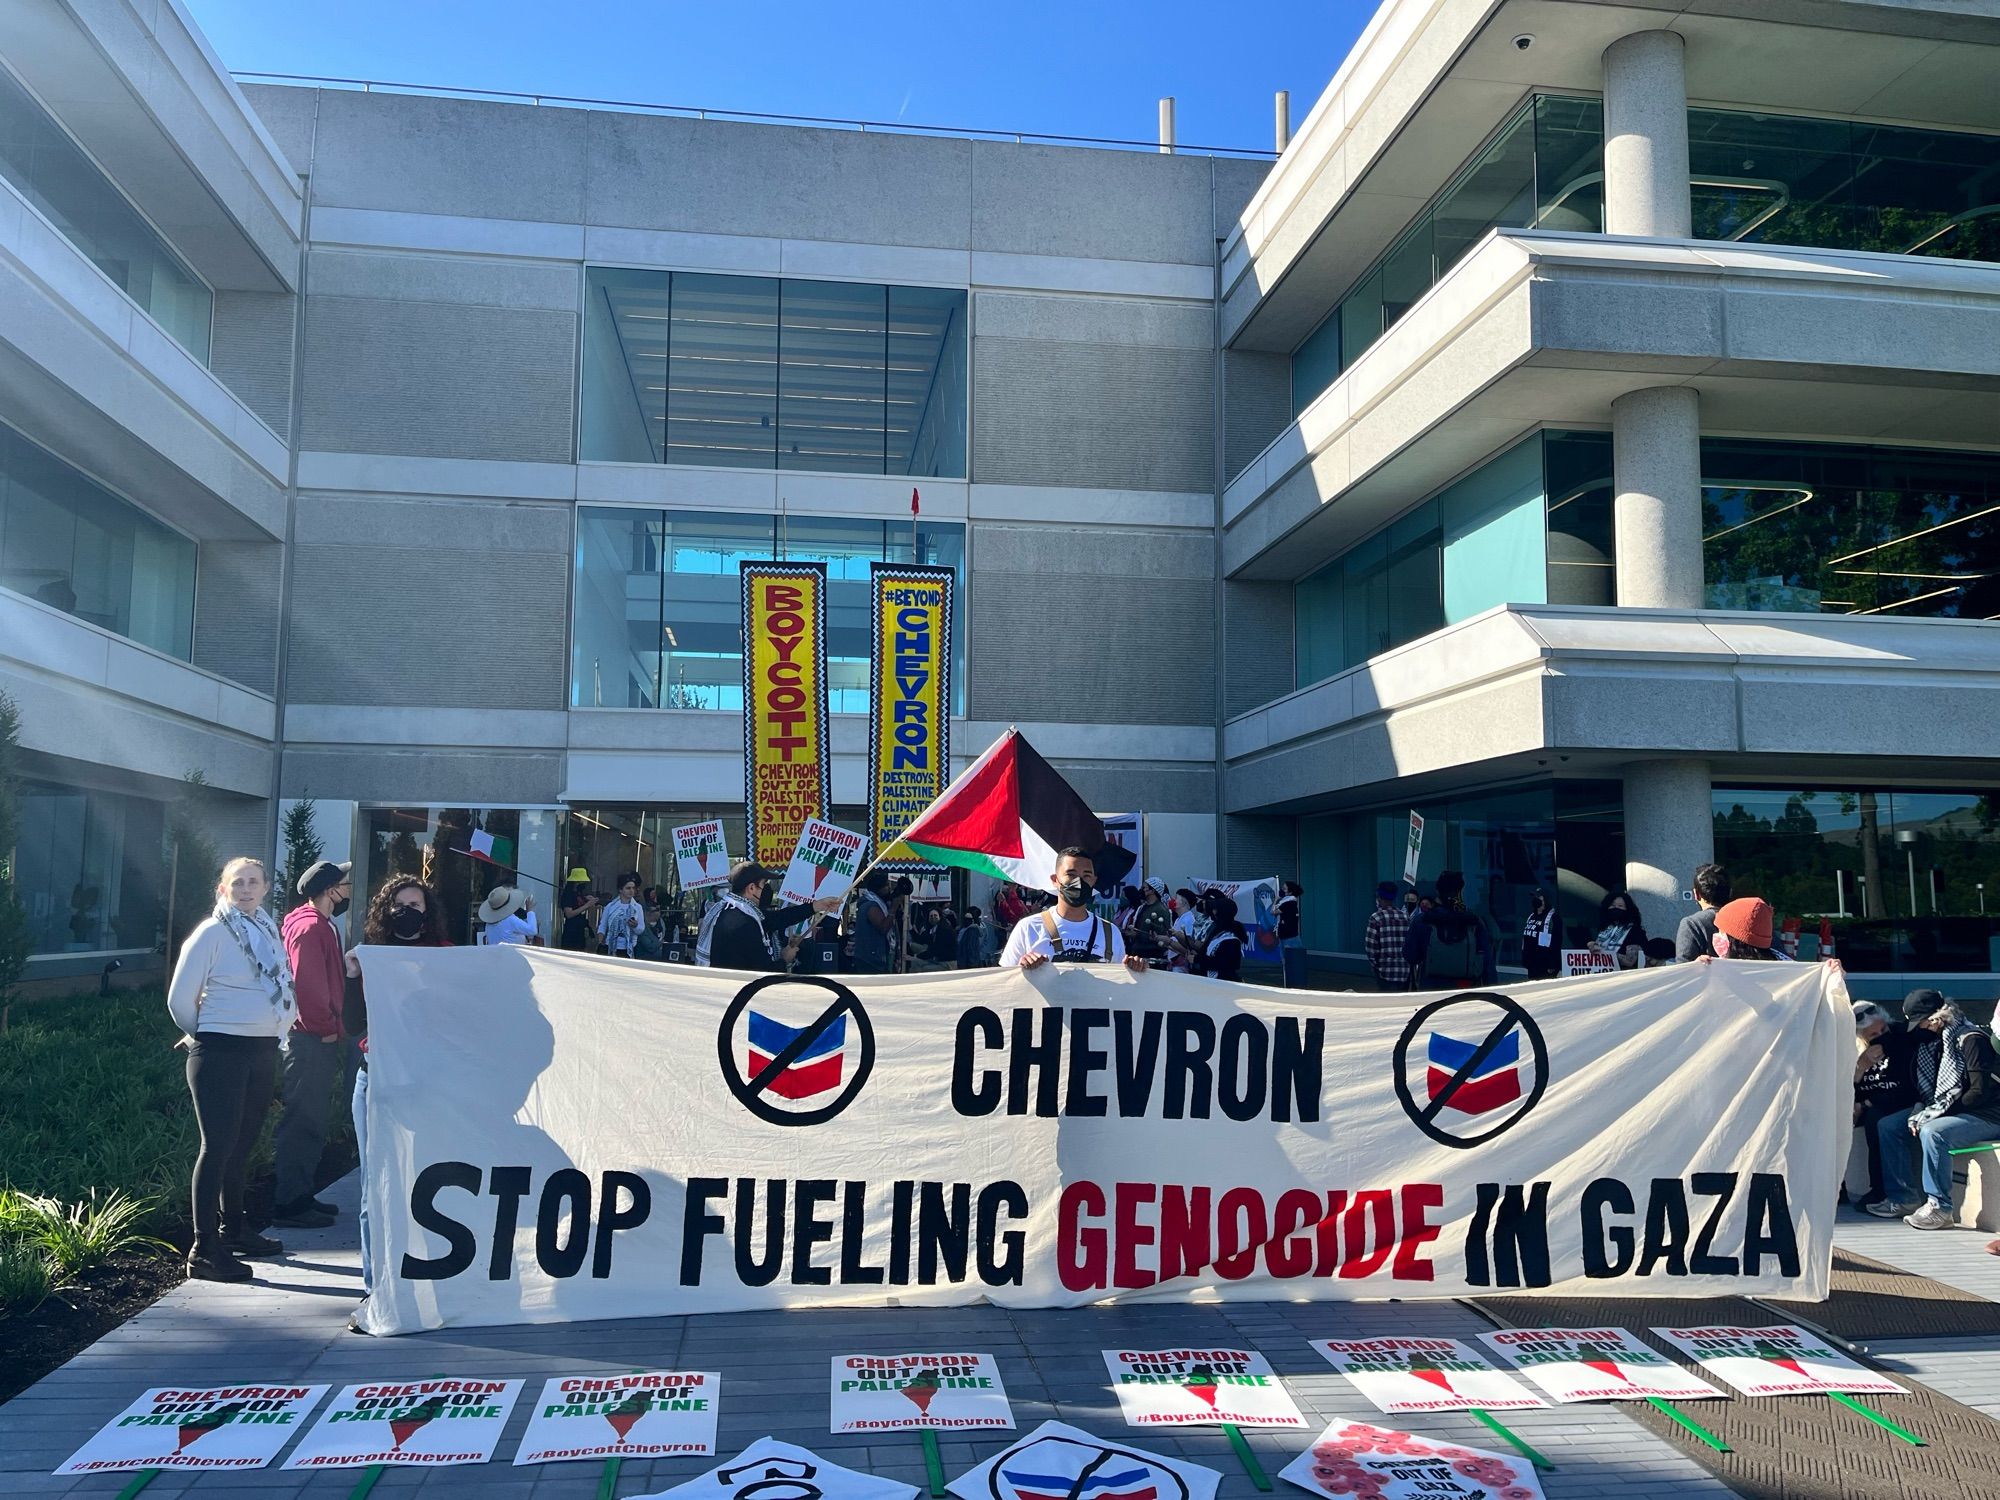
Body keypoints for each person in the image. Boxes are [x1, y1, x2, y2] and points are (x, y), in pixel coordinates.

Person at [166, 857, 298, 1283]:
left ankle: (234, 1230)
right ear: (222, 889)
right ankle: (204, 1250)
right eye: (236, 883)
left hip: (262, 1050)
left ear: (264, 889)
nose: (245, 889)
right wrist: (205, 1034)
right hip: (220, 1052)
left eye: (253, 882)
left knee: (243, 1146)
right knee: (218, 1147)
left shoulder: (265, 928)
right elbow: (178, 1000)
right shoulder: (211, 933)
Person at [346, 876, 449, 1293]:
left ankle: (429, 1275)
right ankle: (378, 1288)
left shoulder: (444, 956)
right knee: (376, 1185)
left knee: (424, 1180)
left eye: (418, 905)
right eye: (401, 904)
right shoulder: (371, 958)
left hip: (425, 1080)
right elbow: (353, 1025)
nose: (409, 912)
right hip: (378, 1078)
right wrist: (354, 976)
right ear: (385, 911)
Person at [1868, 990, 2000, 1229]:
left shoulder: (1971, 1039)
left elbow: (1978, 1093)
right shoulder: (1933, 1041)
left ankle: (1940, 1208)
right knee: (1888, 1125)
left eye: (1925, 1022)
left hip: (1988, 1115)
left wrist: (1938, 1113)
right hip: (1949, 1108)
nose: (1923, 1027)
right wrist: (1926, 1109)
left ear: (1939, 1016)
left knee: (1933, 1132)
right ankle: (1903, 1198)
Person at [272, 860, 350, 1231]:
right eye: (345, 883)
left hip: (315, 1036)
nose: (349, 889)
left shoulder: (316, 924)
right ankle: (290, 1203)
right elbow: (308, 987)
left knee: (312, 1118)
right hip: (310, 1038)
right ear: (331, 889)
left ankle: (301, 1194)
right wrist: (327, 1028)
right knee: (303, 1119)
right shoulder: (309, 928)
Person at [1000, 848, 1149, 969]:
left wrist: (1135, 969)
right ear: (1055, 880)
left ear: (1093, 881)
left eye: (1086, 875)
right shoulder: (1028, 928)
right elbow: (1004, 984)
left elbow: (1122, 988)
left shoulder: (1110, 933)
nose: (1079, 882)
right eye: (1071, 874)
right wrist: (1021, 969)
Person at [697, 860, 837, 971]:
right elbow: (763, 971)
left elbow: (777, 918)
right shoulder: (744, 923)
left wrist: (816, 906)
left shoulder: (730, 909)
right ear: (752, 888)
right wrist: (784, 959)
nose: (766, 890)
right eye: (763, 884)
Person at [1851, 1000, 1922, 1209]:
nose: (1882, 1035)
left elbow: (1904, 1088)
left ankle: (1880, 1188)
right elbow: (1846, 1088)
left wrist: (1864, 1104)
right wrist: (1861, 1068)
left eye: (1884, 1029)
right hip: (1865, 1102)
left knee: (1877, 1120)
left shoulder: (1899, 1039)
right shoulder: (1854, 1052)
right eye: (1873, 1035)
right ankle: (1841, 1187)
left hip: (1896, 1102)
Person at [1403, 870, 1494, 988]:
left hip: (1431, 987)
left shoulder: (1423, 920)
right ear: (1460, 891)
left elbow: (1410, 956)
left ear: (1437, 891)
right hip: (1466, 987)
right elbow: (1487, 963)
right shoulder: (1474, 922)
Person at [1675, 863, 1731, 962]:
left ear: (1696, 894)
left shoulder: (1691, 924)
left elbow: (1683, 968)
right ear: (1730, 892)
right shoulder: (1743, 921)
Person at [1364, 882, 1413, 991]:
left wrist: (1375, 966)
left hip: (1384, 971)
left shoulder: (1376, 918)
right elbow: (1411, 943)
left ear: (1379, 897)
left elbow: (1370, 947)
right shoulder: (1406, 917)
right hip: (1405, 970)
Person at [849, 869, 896, 974]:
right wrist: (893, 909)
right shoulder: (871, 906)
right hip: (871, 958)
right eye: (886, 886)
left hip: (871, 955)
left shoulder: (877, 903)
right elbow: (883, 928)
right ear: (879, 888)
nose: (889, 889)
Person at [1711, 897, 1787, 960]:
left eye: (1721, 931)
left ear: (1736, 941)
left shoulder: (1725, 968)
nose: (1717, 935)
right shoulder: (1787, 969)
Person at [1588, 891, 1648, 969]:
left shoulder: (1635, 931)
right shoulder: (1604, 929)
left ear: (1628, 909)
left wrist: (1604, 954)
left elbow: (1630, 961)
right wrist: (1591, 945)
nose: (1616, 908)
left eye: (1620, 906)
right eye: (1612, 905)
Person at [1193, 891, 1245, 981]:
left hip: (1224, 982)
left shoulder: (1231, 938)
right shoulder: (1217, 932)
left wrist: (1198, 959)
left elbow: (1226, 963)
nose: (1213, 912)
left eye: (1215, 909)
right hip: (1211, 980)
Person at [1128, 878, 1175, 968]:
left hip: (1152, 960)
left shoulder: (1161, 910)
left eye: (1144, 887)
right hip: (1138, 956)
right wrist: (1134, 934)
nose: (1141, 889)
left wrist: (1141, 936)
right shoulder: (1143, 907)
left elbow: (1162, 937)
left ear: (1152, 890)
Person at [598, 872, 645, 958]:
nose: (631, 891)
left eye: (633, 888)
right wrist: (601, 942)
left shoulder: (637, 907)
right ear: (620, 889)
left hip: (629, 947)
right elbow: (603, 926)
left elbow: (641, 929)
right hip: (610, 946)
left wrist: (635, 926)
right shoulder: (610, 906)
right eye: (628, 888)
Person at [1521, 890, 1563, 981]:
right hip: (1532, 964)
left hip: (1545, 966)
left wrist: (1553, 964)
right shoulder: (1532, 916)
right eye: (1534, 897)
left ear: (1545, 901)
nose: (1535, 899)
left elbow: (1556, 942)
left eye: (1538, 897)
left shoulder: (1553, 918)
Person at [1276, 880, 1306, 988]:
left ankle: (1294, 985)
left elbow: (1273, 911)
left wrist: (1276, 900)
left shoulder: (1289, 903)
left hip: (1289, 936)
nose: (1282, 891)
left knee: (1292, 961)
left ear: (1290, 891)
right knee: (1286, 961)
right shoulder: (1288, 902)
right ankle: (1289, 984)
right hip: (1284, 935)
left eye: (1284, 889)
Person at [558, 868, 595, 951]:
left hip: (580, 931)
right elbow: (569, 914)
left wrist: (586, 899)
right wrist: (586, 905)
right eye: (582, 882)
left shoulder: (578, 893)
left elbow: (577, 903)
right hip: (571, 932)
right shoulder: (568, 894)